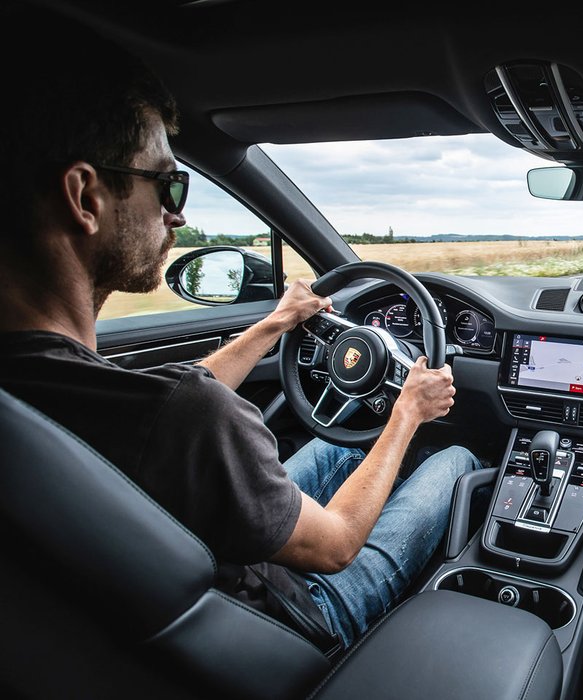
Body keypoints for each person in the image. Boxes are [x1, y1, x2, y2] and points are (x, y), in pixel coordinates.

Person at [0, 5, 480, 650]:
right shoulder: (183, 418)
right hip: (292, 616)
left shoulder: (44, 388)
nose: (177, 218)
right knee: (451, 457)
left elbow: (171, 402)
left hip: (181, 594)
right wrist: (408, 412)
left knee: (345, 445)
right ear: (86, 198)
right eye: (168, 187)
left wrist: (274, 325)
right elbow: (336, 545)